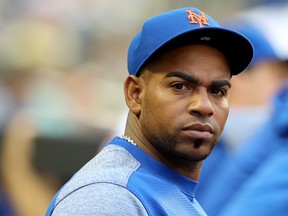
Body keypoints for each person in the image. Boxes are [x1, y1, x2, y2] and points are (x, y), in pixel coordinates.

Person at [45, 7, 253, 215]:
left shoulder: (162, 190)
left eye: (217, 91)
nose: (204, 106)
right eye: (179, 86)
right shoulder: (109, 198)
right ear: (135, 94)